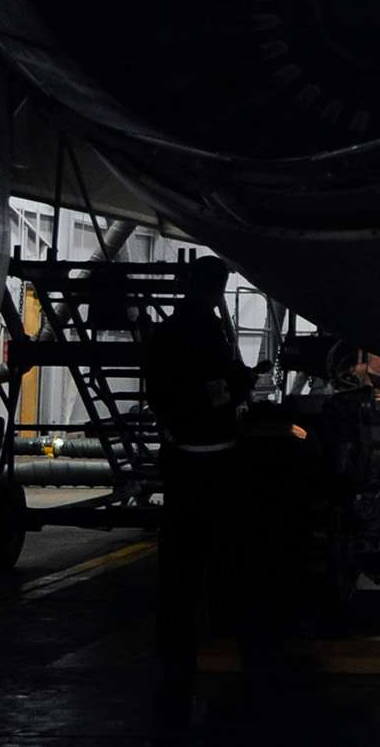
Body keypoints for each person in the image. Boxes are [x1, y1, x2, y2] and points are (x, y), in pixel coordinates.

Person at [144, 255, 260, 722]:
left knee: (177, 560)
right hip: (215, 455)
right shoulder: (209, 332)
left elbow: (159, 392)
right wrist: (243, 384)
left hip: (179, 455)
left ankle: (173, 645)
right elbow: (219, 386)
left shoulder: (165, 333)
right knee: (223, 553)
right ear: (214, 290)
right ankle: (224, 631)